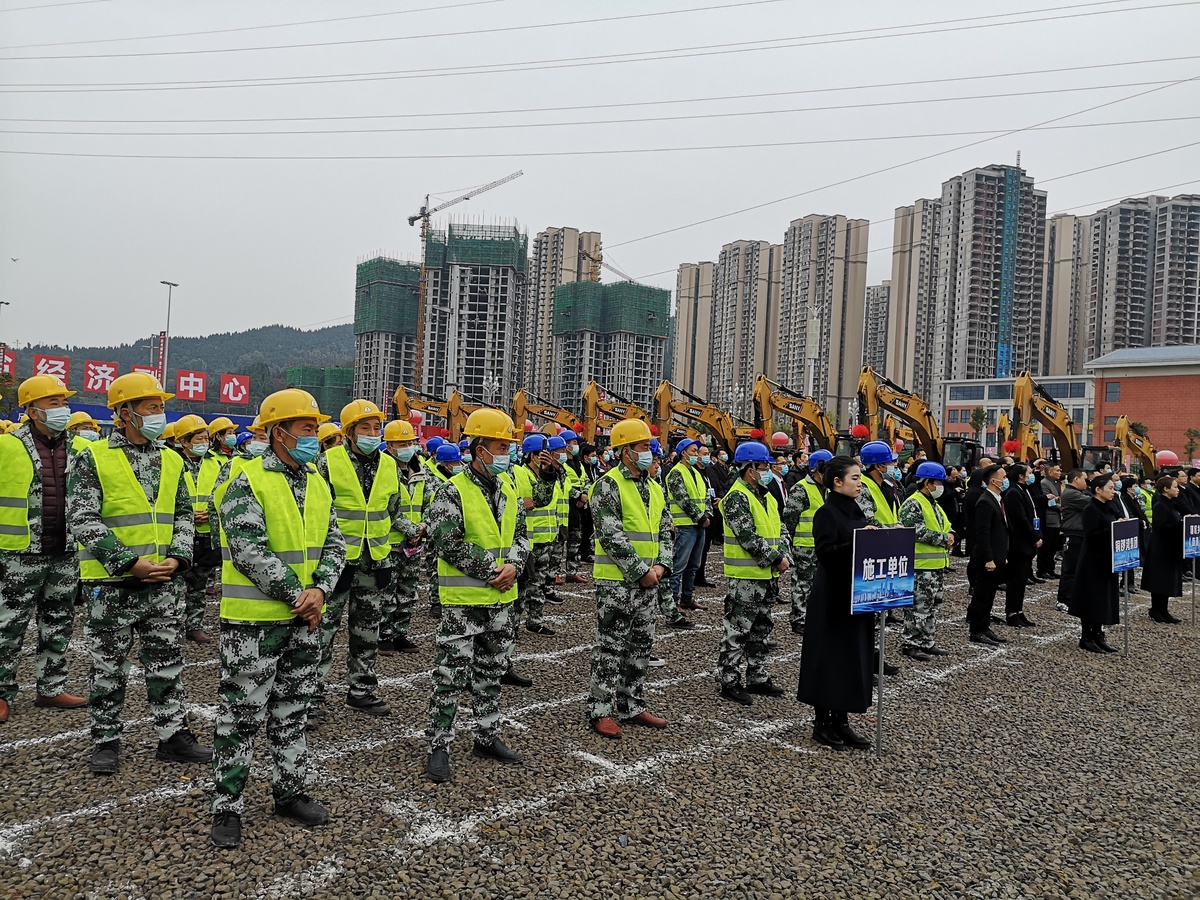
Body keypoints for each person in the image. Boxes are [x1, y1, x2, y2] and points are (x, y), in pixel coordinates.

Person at [209, 388, 346, 849]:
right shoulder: (243, 479)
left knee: (293, 710)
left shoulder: (318, 482)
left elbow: (335, 544)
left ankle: (290, 793)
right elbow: (248, 550)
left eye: (315, 429)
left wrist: (321, 589)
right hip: (254, 622)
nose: (314, 436)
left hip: (305, 619)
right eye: (307, 429)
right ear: (277, 433)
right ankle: (226, 807)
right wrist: (299, 595)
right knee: (241, 716)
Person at [67, 372, 210, 775]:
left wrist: (179, 558)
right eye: (152, 407)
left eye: (161, 407)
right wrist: (129, 562)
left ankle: (173, 737)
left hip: (164, 580)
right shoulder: (93, 456)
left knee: (166, 660)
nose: (159, 414)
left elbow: (183, 513)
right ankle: (105, 740)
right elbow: (82, 517)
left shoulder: (170, 457)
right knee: (108, 666)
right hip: (113, 584)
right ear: (124, 413)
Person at [424, 409, 528, 783]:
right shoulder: (451, 491)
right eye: (502, 447)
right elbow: (446, 542)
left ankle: (486, 735)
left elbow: (521, 536)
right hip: (464, 603)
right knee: (450, 676)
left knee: (491, 672)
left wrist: (514, 565)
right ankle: (439, 745)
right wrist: (492, 570)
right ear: (480, 448)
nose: (507, 454)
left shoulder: (509, 489)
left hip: (502, 601)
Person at [0, 375, 87, 725]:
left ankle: (50, 686)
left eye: (63, 402)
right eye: (54, 404)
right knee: (8, 626)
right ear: (33, 410)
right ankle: (2, 692)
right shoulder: (7, 446)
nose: (62, 409)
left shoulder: (80, 448)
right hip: (20, 551)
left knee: (58, 621)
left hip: (66, 551)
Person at [313, 399, 405, 720]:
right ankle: (312, 694)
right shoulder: (327, 462)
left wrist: (407, 533)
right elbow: (317, 508)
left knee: (367, 629)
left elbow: (393, 509)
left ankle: (361, 689)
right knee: (323, 629)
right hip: (336, 561)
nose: (372, 432)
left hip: (374, 559)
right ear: (349, 432)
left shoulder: (390, 465)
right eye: (364, 427)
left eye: (376, 427)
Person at [587, 418, 673, 739]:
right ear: (625, 451)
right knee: (611, 647)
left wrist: (662, 565)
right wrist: (642, 571)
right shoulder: (607, 485)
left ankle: (631, 704)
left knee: (641, 645)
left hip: (649, 581)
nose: (649, 451)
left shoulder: (653, 486)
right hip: (617, 583)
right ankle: (600, 710)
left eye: (649, 446)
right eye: (642, 447)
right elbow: (611, 536)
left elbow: (666, 528)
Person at [796, 456, 873, 751]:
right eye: (854, 478)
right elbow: (826, 552)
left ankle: (842, 720)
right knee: (829, 659)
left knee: (851, 658)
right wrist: (859, 541)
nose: (859, 483)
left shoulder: (857, 510)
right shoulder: (826, 513)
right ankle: (822, 723)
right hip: (832, 596)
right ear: (837, 482)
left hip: (857, 594)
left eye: (859, 477)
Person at [716, 441, 790, 705]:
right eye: (764, 466)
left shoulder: (766, 495)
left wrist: (784, 554)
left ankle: (758, 677)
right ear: (749, 469)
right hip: (747, 576)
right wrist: (776, 558)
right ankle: (729, 681)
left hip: (767, 575)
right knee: (737, 630)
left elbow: (780, 529)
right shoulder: (736, 497)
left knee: (761, 628)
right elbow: (748, 537)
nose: (769, 470)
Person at [898, 461, 955, 660]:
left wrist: (951, 535)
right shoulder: (913, 503)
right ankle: (911, 643)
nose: (940, 487)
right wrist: (943, 539)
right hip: (921, 566)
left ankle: (927, 641)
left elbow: (946, 525)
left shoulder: (933, 504)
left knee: (932, 606)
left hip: (936, 565)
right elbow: (915, 531)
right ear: (927, 483)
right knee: (918, 607)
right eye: (938, 483)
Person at [378, 419, 426, 655]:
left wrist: (423, 528)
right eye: (401, 443)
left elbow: (430, 502)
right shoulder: (383, 470)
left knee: (408, 591)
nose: (408, 447)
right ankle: (383, 635)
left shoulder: (420, 471)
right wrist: (410, 529)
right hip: (391, 542)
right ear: (389, 446)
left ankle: (400, 633)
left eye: (410, 442)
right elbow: (385, 507)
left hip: (414, 544)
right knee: (387, 591)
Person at [175, 414, 224, 644]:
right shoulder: (172, 462)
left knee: (199, 585)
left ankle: (194, 626)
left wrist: (211, 513)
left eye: (206, 437)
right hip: (178, 534)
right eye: (198, 438)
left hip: (206, 533)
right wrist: (185, 514)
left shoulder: (217, 462)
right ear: (184, 441)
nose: (203, 441)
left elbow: (224, 494)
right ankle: (172, 626)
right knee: (174, 585)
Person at [513, 433, 563, 639]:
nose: (550, 458)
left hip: (547, 538)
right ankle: (512, 625)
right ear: (533, 456)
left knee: (538, 585)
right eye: (545, 454)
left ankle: (535, 621)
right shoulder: (518, 473)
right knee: (520, 586)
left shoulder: (550, 475)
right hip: (526, 540)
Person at [1069, 473, 1122, 653]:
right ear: (1098, 490)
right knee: (1091, 598)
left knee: (1103, 598)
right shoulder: (1091, 509)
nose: (1113, 492)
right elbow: (1092, 535)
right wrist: (1113, 528)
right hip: (1093, 560)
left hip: (1108, 559)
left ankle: (1099, 634)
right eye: (1110, 488)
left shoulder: (1109, 506)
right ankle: (1087, 637)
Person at [781, 448, 832, 635]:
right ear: (818, 470)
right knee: (802, 584)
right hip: (804, 547)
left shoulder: (829, 490)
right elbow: (789, 519)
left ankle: (815, 616)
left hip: (822, 546)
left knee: (820, 585)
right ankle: (799, 619)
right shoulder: (801, 489)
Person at [666, 438, 711, 616]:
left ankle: (687, 598)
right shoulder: (676, 473)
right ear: (683, 452)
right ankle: (673, 601)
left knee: (693, 565)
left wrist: (707, 515)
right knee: (679, 565)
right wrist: (701, 517)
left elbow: (705, 496)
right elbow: (682, 499)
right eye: (693, 451)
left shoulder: (696, 473)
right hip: (685, 525)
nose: (696, 454)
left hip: (698, 525)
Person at [967, 465, 1010, 646]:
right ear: (994, 480)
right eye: (1004, 476)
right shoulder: (985, 501)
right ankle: (977, 630)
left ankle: (985, 626)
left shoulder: (998, 499)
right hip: (987, 558)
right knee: (982, 595)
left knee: (990, 594)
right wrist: (989, 558)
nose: (1006, 480)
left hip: (998, 555)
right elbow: (982, 533)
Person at [1003, 463, 1040, 627]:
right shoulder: (1013, 492)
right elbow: (1020, 519)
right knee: (1016, 580)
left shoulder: (1024, 490)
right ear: (1020, 475)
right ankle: (1011, 612)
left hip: (1027, 542)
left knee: (1022, 580)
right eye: (1030, 473)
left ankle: (1019, 610)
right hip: (1019, 543)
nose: (1032, 475)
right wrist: (1033, 536)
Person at [1143, 476, 1184, 624]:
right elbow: (1162, 527)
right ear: (1166, 489)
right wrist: (1181, 525)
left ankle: (1164, 609)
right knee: (1160, 579)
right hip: (1161, 548)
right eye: (1175, 487)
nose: (1177, 490)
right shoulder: (1160, 505)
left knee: (1167, 580)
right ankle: (1156, 609)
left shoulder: (1172, 504)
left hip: (1171, 547)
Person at [698, 447, 734, 587]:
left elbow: (719, 486)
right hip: (700, 517)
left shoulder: (709, 471)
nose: (707, 456)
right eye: (704, 454)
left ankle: (700, 576)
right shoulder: (694, 472)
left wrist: (720, 497)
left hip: (712, 513)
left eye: (707, 454)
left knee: (705, 548)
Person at [1036, 464, 1063, 578]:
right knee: (1046, 547)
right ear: (1050, 472)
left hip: (1057, 519)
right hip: (1049, 519)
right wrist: (1062, 507)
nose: (1060, 472)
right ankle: (1042, 569)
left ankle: (1050, 569)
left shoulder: (1057, 484)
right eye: (1057, 470)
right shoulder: (1044, 484)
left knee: (1053, 547)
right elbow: (1048, 502)